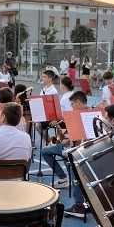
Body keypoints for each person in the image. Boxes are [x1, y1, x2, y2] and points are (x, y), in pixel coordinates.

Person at [41, 90, 90, 218]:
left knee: (75, 171)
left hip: (75, 148)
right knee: (45, 151)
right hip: (71, 146)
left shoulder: (82, 115)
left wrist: (65, 141)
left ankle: (79, 204)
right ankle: (63, 177)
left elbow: (75, 136)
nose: (72, 107)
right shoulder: (85, 113)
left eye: (73, 104)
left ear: (79, 102)